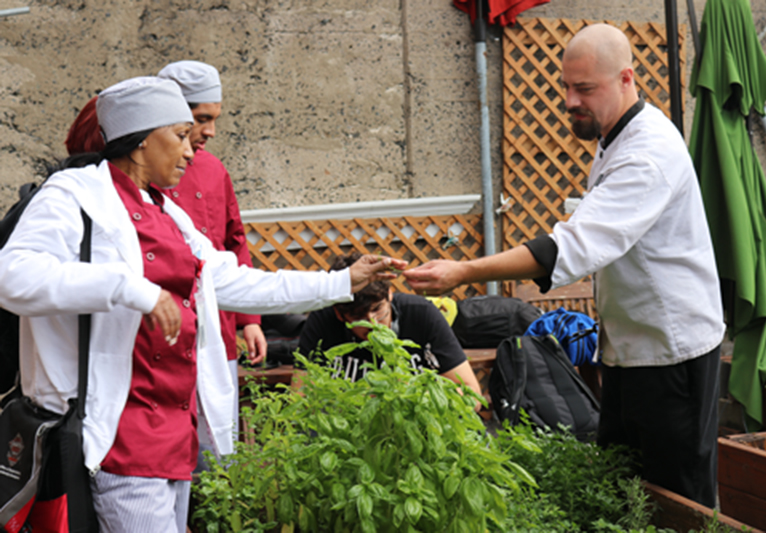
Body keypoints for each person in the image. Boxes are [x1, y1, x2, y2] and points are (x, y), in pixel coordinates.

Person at [0, 76, 405, 533]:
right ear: (138, 144)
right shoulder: (72, 194)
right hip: (119, 436)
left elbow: (231, 280)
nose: (192, 151)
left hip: (173, 433)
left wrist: (342, 282)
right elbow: (12, 277)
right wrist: (131, 287)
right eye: (180, 136)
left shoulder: (166, 212)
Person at [404, 23, 725, 508]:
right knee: (624, 491)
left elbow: (569, 248)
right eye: (566, 87)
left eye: (585, 89)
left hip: (671, 356)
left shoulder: (649, 154)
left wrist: (462, 272)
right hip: (630, 351)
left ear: (626, 79)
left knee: (677, 502)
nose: (571, 101)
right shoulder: (618, 135)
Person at [156, 61, 267, 452]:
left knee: (220, 446)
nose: (211, 131)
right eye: (202, 119)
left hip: (220, 331)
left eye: (214, 118)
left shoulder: (214, 168)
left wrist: (250, 320)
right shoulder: (146, 172)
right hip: (165, 335)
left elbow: (235, 241)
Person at [297, 253, 482, 399]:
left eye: (378, 309)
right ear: (339, 314)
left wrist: (416, 399)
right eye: (357, 317)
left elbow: (471, 394)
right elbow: (299, 396)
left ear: (389, 294)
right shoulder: (322, 321)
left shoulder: (421, 314)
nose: (373, 323)